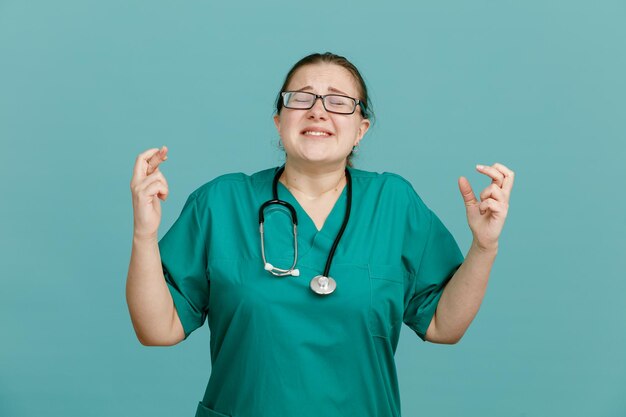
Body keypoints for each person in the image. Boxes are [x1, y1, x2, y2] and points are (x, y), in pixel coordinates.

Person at [126, 52, 514, 417]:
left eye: (339, 101)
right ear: (279, 121)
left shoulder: (393, 203)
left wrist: (484, 246)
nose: (318, 111)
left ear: (361, 129)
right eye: (301, 99)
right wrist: (144, 233)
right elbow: (158, 329)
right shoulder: (221, 202)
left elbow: (443, 326)